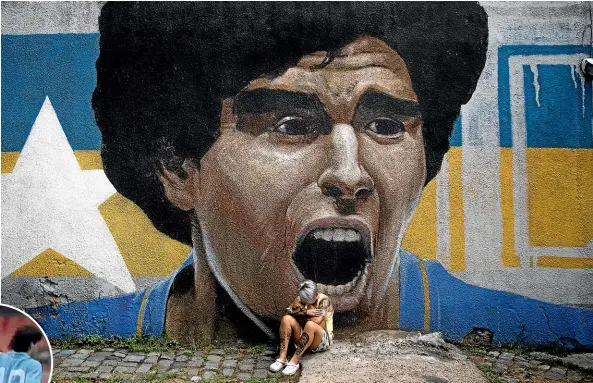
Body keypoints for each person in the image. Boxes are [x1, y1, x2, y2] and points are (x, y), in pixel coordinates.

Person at [29, 2, 593, 349]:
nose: (349, 174)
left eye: (387, 124)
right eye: (292, 123)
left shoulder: (555, 340)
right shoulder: (42, 348)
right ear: (177, 168)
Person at [270, 280, 333, 375]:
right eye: (304, 301)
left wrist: (298, 311)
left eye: (309, 302)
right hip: (304, 337)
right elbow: (287, 312)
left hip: (321, 340)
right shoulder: (300, 298)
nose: (305, 303)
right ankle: (282, 358)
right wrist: (305, 312)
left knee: (310, 325)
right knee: (286, 319)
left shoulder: (324, 300)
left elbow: (316, 321)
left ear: (316, 295)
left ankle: (294, 361)